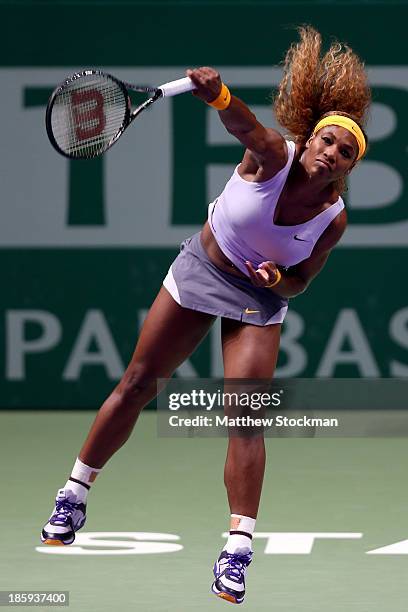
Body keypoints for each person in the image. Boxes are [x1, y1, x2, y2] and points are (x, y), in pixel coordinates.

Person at [41, 26, 371, 605]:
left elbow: (301, 282)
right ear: (309, 138)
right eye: (325, 140)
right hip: (203, 270)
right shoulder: (272, 156)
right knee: (140, 383)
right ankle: (74, 492)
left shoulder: (334, 219)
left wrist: (280, 280)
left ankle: (238, 549)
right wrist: (219, 97)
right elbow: (244, 123)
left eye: (345, 152)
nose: (330, 153)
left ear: (349, 167)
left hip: (258, 301)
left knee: (246, 415)